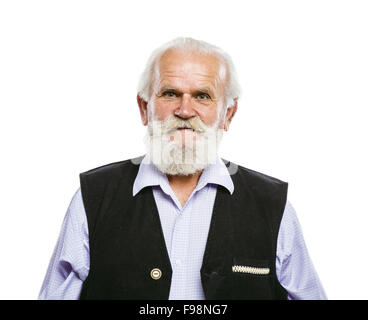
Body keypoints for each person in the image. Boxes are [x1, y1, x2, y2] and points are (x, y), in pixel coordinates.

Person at [39, 37, 327, 300]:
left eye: (202, 95)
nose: (185, 110)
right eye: (170, 94)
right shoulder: (93, 200)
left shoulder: (271, 206)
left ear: (228, 114)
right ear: (144, 108)